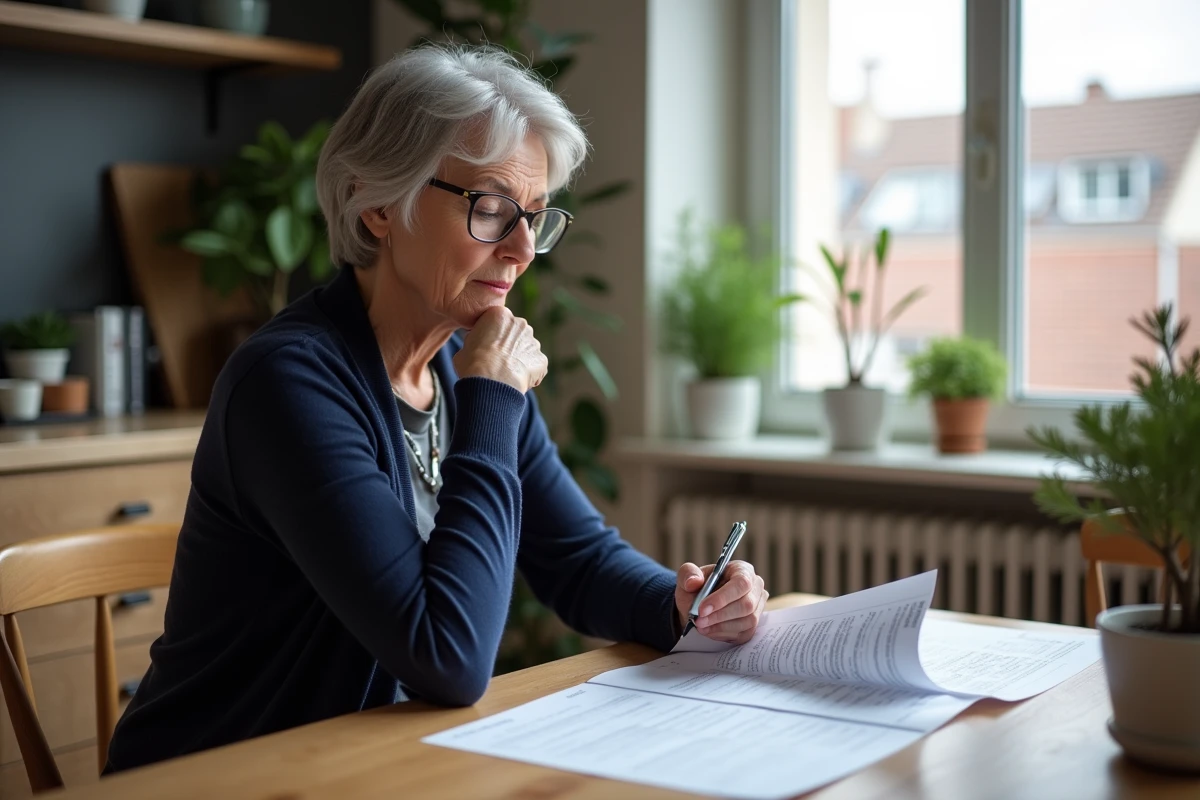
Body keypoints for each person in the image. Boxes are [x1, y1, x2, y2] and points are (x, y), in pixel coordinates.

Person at [105, 44, 767, 772]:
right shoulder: (290, 383)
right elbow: (447, 659)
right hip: (216, 778)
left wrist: (684, 606)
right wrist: (491, 399)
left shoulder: (466, 367)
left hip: (366, 763)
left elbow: (576, 561)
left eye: (536, 218)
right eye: (490, 209)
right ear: (380, 202)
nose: (521, 250)